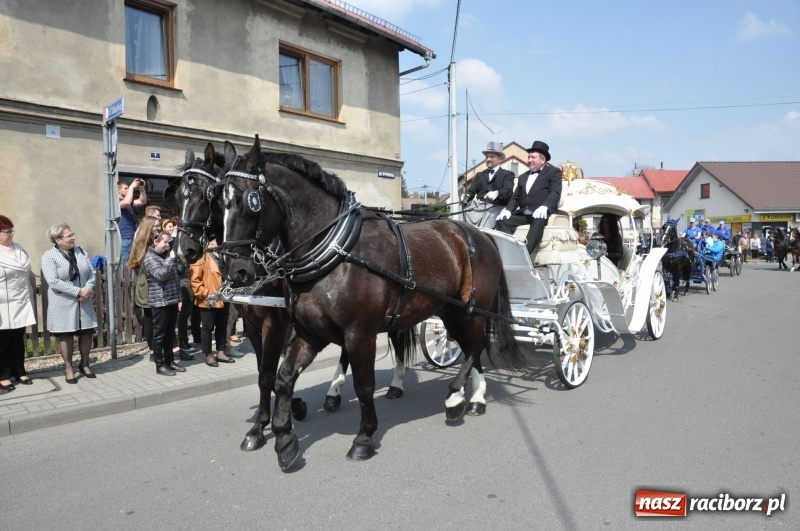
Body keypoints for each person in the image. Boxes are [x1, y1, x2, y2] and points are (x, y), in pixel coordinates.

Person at [41, 223, 98, 384]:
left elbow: (91, 273)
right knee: (66, 336)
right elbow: (53, 281)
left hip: (84, 301)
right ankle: (68, 367)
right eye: (69, 236)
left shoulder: (81, 252)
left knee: (86, 333)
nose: (73, 238)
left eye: (73, 234)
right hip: (63, 302)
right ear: (58, 240)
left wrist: (87, 289)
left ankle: (85, 364)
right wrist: (77, 291)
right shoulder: (49, 256)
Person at [495, 140, 562, 262]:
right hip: (524, 212)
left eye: (533, 157)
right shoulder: (523, 176)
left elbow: (555, 192)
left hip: (541, 212)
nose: (529, 160)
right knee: (502, 221)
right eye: (529, 157)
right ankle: (509, 252)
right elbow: (516, 197)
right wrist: (508, 210)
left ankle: (524, 255)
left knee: (538, 220)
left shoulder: (553, 172)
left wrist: (545, 206)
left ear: (543, 160)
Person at [0, 216, 37, 392]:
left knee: (18, 340)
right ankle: (3, 375)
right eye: (7, 232)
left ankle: (19, 370)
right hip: (3, 305)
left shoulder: (18, 248)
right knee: (3, 342)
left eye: (11, 231)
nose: (11, 235)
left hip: (20, 302)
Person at [143, 229, 184, 376]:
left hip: (172, 299)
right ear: (155, 242)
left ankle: (170, 361)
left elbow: (176, 274)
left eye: (169, 242)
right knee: (159, 334)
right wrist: (171, 259)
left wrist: (180, 260)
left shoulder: (166, 256)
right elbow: (161, 275)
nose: (168, 245)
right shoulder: (149, 258)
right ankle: (159, 365)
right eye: (165, 242)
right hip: (160, 301)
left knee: (169, 332)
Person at [189, 239, 235, 367]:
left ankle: (221, 352)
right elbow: (195, 281)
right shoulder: (201, 257)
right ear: (208, 242)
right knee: (207, 328)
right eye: (215, 240)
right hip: (209, 299)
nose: (218, 242)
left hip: (224, 298)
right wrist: (206, 294)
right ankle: (208, 355)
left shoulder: (223, 256)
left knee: (222, 326)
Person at [127, 216, 160, 361]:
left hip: (157, 285)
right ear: (148, 227)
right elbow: (146, 264)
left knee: (159, 319)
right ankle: (153, 350)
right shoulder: (141, 244)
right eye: (156, 226)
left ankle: (161, 348)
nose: (158, 228)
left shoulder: (155, 242)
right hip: (147, 286)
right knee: (150, 318)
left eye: (159, 226)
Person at [462, 142, 515, 228]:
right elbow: (471, 191)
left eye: (492, 156)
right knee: (460, 211)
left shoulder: (508, 174)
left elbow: (508, 191)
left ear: (500, 159)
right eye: (487, 157)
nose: (488, 159)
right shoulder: (480, 175)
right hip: (478, 207)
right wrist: (466, 196)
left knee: (488, 219)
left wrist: (497, 193)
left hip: (496, 207)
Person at [117, 178, 147, 268]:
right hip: (123, 238)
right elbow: (126, 203)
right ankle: (120, 282)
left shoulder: (129, 202)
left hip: (132, 237)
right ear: (118, 191)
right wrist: (131, 187)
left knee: (133, 263)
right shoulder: (116, 202)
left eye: (127, 188)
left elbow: (142, 201)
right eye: (125, 188)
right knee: (123, 265)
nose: (127, 190)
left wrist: (142, 189)